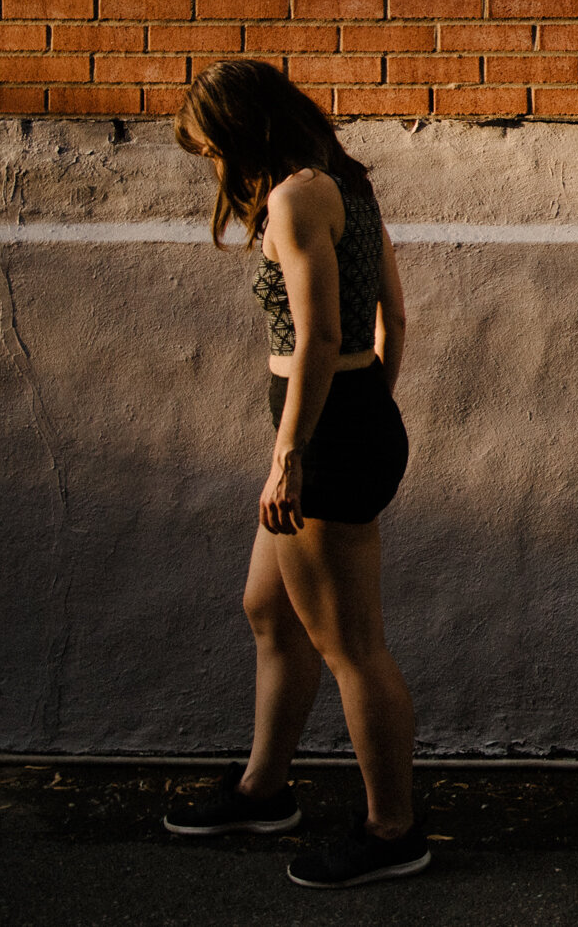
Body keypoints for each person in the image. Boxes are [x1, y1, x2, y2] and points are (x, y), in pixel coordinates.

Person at [160, 59, 429, 889]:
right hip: (342, 420)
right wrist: (364, 409)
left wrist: (296, 455)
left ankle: (393, 832)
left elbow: (316, 337)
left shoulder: (292, 197)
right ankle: (263, 790)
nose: (212, 164)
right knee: (269, 611)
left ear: (244, 130)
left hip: (323, 437)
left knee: (352, 645)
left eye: (211, 145)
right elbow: (393, 318)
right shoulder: (346, 184)